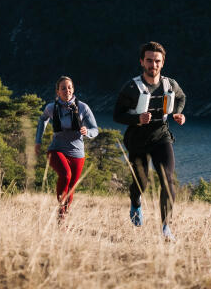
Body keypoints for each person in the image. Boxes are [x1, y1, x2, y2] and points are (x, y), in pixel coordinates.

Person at [113, 41, 186, 241]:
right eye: (149, 61)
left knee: (168, 179)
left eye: (157, 61)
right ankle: (135, 202)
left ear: (162, 63)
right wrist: (137, 119)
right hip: (137, 138)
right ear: (142, 62)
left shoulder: (170, 84)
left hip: (161, 135)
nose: (153, 65)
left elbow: (180, 98)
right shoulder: (131, 87)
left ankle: (166, 227)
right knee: (141, 182)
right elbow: (117, 115)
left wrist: (178, 114)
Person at [35, 76, 99, 220]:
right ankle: (61, 211)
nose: (67, 90)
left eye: (69, 87)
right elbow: (42, 120)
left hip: (77, 153)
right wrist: (38, 141)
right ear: (57, 91)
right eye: (63, 88)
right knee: (65, 175)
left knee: (71, 188)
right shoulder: (51, 108)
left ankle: (63, 216)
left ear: (73, 89)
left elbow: (95, 129)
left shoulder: (83, 107)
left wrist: (87, 132)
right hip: (56, 149)